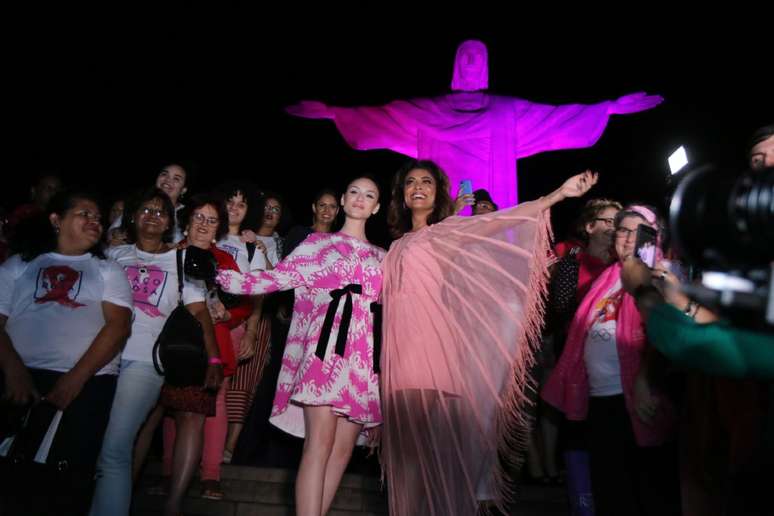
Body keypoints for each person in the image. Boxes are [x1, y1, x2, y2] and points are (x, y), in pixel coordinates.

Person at [379, 159, 598, 515]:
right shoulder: (396, 245)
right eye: (410, 183)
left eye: (427, 182)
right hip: (397, 355)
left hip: (431, 350)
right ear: (402, 195)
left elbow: (499, 220)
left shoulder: (445, 231)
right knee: (405, 457)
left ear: (438, 196)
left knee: (430, 454)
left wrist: (558, 194)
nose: (417, 186)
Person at [287, 39, 661, 208]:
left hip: (493, 212)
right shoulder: (429, 110)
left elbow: (556, 116)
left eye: (476, 56)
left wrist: (607, 108)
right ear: (455, 65)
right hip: (442, 215)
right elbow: (383, 116)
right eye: (464, 55)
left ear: (484, 66)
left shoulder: (505, 111)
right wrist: (335, 112)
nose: (469, 62)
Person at [217, 176, 384, 516]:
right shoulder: (316, 244)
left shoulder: (384, 258)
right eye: (353, 191)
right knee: (319, 443)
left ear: (377, 207)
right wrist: (223, 275)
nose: (360, 198)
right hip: (323, 353)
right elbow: (276, 278)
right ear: (342, 198)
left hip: (360, 360)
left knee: (342, 449)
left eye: (369, 195)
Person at [0, 189, 132, 515]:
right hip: (18, 380)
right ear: (56, 220)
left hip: (87, 385)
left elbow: (117, 327)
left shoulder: (107, 270)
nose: (94, 221)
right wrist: (14, 372)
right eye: (84, 214)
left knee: (65, 482)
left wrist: (75, 380)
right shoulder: (20, 265)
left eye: (98, 218)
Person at [543, 205, 681, 516]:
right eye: (623, 230)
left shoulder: (660, 274)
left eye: (639, 230)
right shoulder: (607, 277)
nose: (629, 237)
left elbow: (664, 334)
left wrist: (646, 379)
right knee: (610, 491)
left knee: (649, 492)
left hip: (640, 396)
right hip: (601, 399)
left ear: (654, 235)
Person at [89, 188, 218, 516]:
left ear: (170, 223)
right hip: (100, 358)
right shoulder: (114, 256)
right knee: (93, 443)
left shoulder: (179, 260)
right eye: (145, 210)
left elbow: (201, 313)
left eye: (161, 212)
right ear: (132, 216)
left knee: (115, 447)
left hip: (146, 361)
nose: (153, 216)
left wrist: (213, 359)